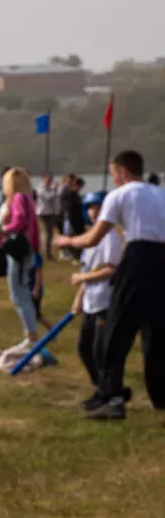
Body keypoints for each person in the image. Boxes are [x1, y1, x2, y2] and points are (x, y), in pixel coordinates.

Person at [56, 150, 165, 419]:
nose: (114, 179)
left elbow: (93, 238)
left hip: (138, 257)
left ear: (122, 171)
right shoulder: (159, 193)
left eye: (114, 173)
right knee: (156, 333)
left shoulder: (120, 194)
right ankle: (161, 396)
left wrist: (67, 242)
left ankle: (111, 396)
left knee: (117, 330)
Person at [70, 191, 123, 411]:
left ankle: (112, 395)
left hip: (105, 302)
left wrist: (82, 278)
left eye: (98, 207)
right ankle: (101, 389)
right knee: (84, 348)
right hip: (91, 302)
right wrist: (79, 297)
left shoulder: (110, 238)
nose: (93, 212)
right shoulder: (90, 237)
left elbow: (110, 270)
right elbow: (88, 270)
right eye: (90, 208)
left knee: (102, 351)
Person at [0, 168, 42, 348]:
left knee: (19, 294)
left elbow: (20, 221)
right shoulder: (28, 199)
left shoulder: (18, 198)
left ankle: (31, 336)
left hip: (19, 252)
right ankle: (31, 334)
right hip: (27, 250)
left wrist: (5, 229)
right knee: (20, 292)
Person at [59, 174, 87, 261]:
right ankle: (67, 252)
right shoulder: (67, 191)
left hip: (71, 216)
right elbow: (68, 206)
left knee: (71, 234)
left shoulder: (71, 192)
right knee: (69, 234)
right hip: (69, 216)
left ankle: (72, 252)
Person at [36, 172, 63, 260]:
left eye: (51, 179)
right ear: (43, 179)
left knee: (50, 234)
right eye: (48, 179)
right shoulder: (40, 188)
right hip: (43, 213)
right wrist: (55, 189)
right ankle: (46, 254)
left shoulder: (51, 188)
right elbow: (48, 197)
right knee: (46, 234)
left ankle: (49, 253)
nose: (50, 181)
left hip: (51, 213)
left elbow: (56, 198)